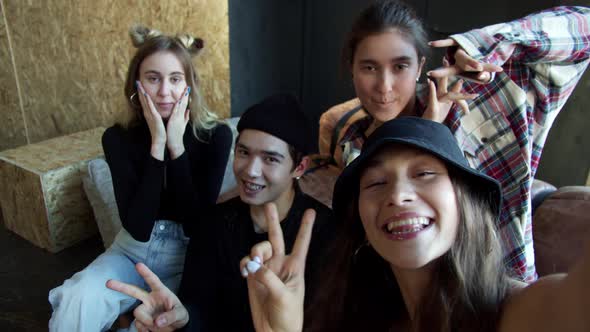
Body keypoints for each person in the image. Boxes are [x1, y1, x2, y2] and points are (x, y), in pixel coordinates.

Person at [318, 1, 590, 281]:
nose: (384, 87)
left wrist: (482, 46)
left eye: (400, 66)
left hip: (498, 292)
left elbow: (584, 25)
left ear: (420, 65)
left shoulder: (474, 103)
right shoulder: (350, 141)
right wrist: (425, 130)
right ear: (352, 68)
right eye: (370, 68)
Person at [241, 116, 590, 332]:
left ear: (462, 201)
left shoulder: (520, 311)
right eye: (376, 184)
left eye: (424, 174)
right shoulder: (359, 316)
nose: (398, 195)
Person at [48, 25, 232, 331]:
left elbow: (196, 224)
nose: (164, 91)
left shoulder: (216, 136)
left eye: (175, 79)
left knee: (155, 326)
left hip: (189, 256)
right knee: (77, 299)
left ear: (189, 84)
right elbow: (138, 226)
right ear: (137, 84)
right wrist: (157, 146)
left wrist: (177, 147)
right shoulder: (117, 138)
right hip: (132, 250)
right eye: (153, 78)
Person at [106, 94, 336, 332]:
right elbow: (198, 308)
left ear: (299, 167)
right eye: (244, 153)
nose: (251, 171)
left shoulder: (326, 231)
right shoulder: (213, 223)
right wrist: (183, 318)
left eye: (270, 159)